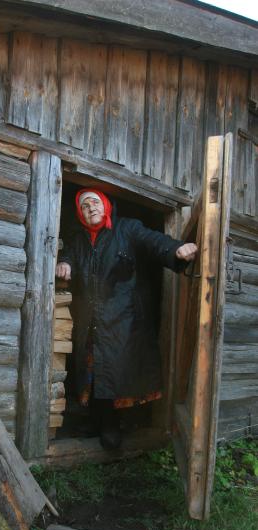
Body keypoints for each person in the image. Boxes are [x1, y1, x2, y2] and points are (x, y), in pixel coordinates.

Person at [56, 189, 197, 449]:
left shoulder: (127, 228)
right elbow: (69, 257)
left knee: (114, 372)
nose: (91, 208)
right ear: (80, 213)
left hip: (122, 316)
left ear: (106, 204)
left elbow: (153, 241)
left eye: (95, 202)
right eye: (84, 206)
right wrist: (65, 262)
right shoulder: (79, 240)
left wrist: (176, 249)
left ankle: (111, 425)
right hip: (90, 317)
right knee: (91, 372)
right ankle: (95, 420)